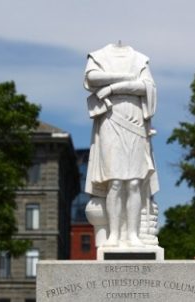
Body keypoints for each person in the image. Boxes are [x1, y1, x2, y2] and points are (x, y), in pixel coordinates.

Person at [84, 43, 158, 247]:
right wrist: (126, 78)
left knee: (134, 182)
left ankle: (132, 235)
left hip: (135, 119)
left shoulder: (140, 59)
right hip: (110, 118)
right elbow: (91, 78)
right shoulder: (98, 55)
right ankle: (115, 234)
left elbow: (146, 86)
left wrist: (112, 88)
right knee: (114, 182)